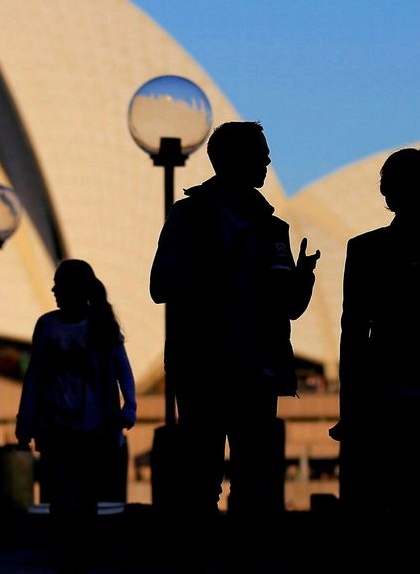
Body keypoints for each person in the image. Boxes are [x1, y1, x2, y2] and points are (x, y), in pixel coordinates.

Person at [150, 120, 320, 570]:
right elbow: (161, 283)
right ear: (230, 159)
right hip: (204, 366)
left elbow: (289, 307)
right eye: (260, 153)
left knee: (254, 475)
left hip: (257, 368)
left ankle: (248, 559)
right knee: (201, 474)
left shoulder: (273, 228)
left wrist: (302, 281)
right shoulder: (189, 216)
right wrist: (225, 273)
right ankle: (202, 558)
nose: (267, 162)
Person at [330, 149, 420, 556]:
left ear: (387, 192)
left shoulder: (365, 249)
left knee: (395, 508)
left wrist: (350, 406)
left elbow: (353, 331)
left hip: (386, 398)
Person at [16, 259, 138, 574]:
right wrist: (26, 419)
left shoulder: (100, 326)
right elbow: (35, 375)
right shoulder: (48, 326)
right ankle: (70, 550)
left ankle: (78, 549)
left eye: (60, 285)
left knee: (83, 493)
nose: (54, 291)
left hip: (92, 424)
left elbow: (122, 368)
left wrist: (130, 406)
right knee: (63, 490)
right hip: (58, 424)